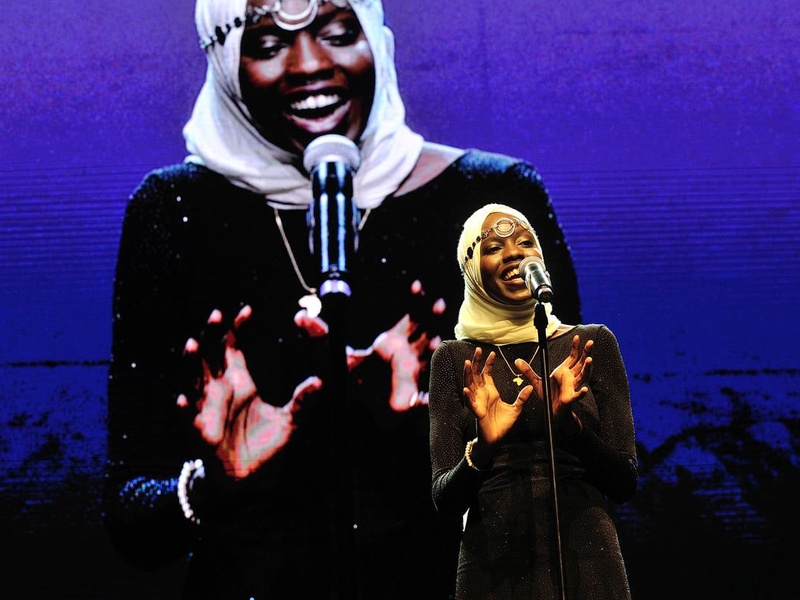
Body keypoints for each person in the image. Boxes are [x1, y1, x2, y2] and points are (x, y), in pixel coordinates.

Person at [103, 1, 583, 598]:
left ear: (375, 39)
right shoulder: (174, 213)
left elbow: (577, 486)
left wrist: (451, 439)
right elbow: (132, 526)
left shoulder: (491, 204)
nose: (310, 64)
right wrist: (213, 484)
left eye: (337, 32)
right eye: (268, 44)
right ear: (226, 62)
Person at [428, 203, 638, 600]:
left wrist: (571, 429)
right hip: (494, 571)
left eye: (526, 243)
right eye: (493, 248)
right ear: (471, 270)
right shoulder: (457, 359)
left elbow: (624, 482)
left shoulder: (590, 344)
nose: (513, 253)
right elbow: (445, 499)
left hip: (588, 565)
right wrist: (484, 448)